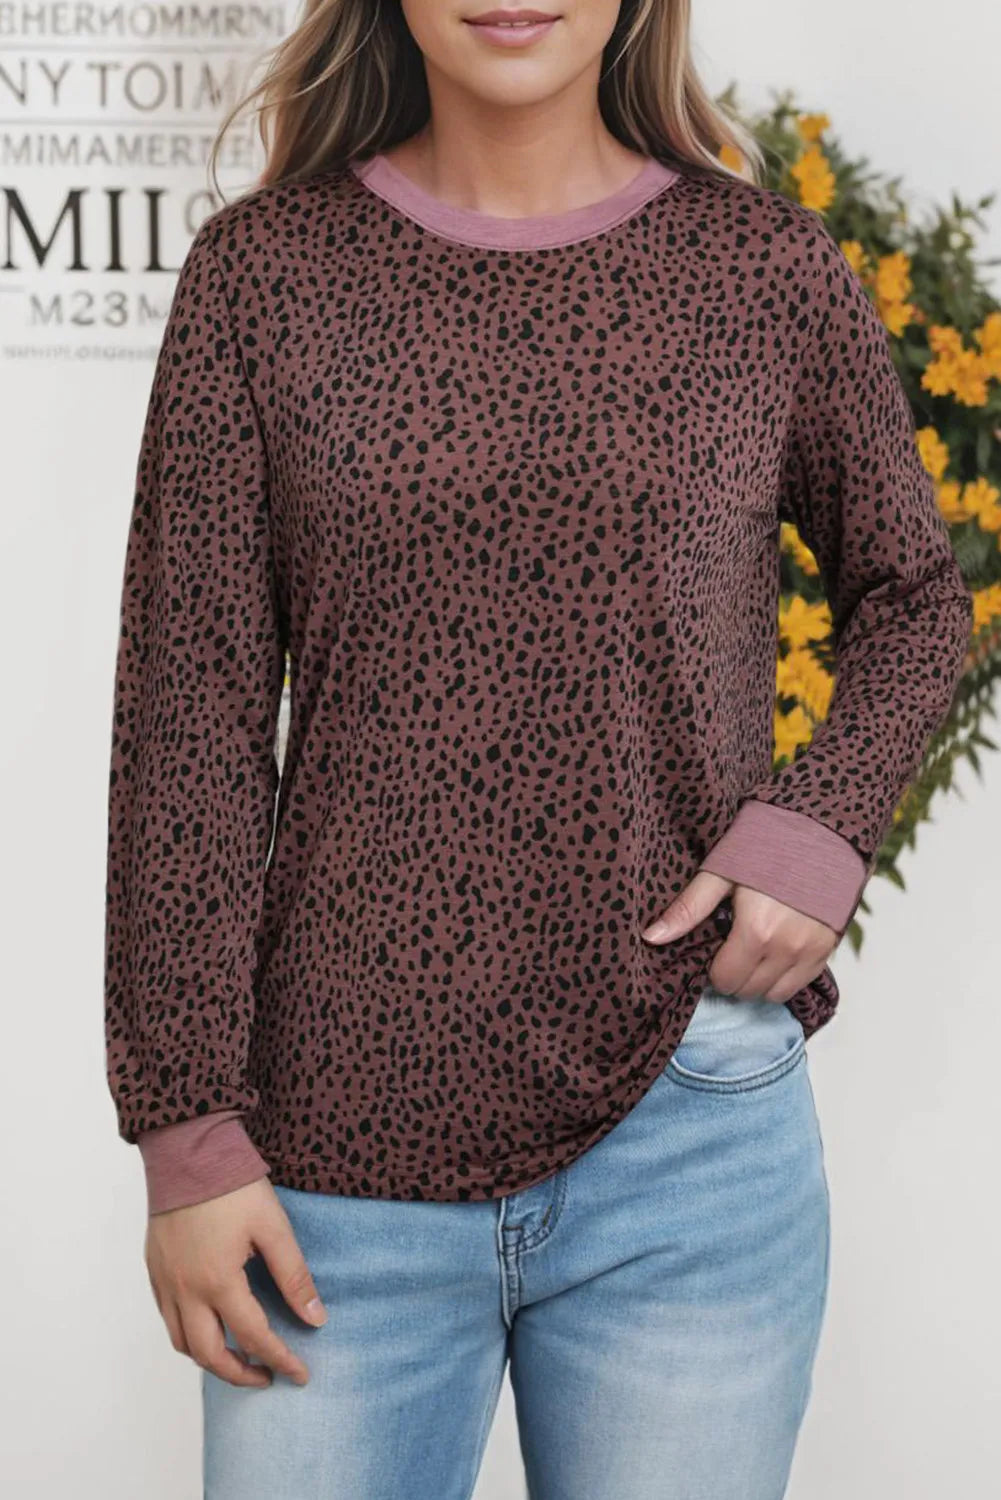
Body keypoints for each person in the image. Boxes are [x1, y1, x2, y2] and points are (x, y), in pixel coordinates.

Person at [102, 2, 973, 1496]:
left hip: (690, 1135)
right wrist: (186, 1130)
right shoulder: (264, 279)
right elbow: (190, 723)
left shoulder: (761, 270)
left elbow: (910, 594)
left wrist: (814, 832)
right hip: (329, 1160)